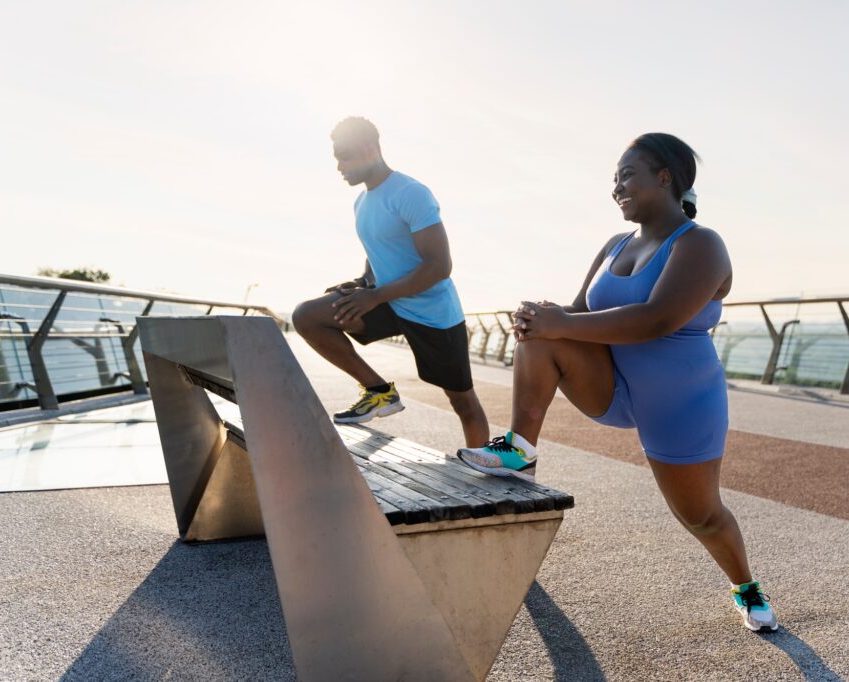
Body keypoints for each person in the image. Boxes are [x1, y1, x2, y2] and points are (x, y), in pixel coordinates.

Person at [457, 133, 777, 631]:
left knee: (701, 517)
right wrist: (543, 316)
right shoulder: (614, 245)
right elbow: (581, 314)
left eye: (627, 175)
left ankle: (745, 586)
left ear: (665, 177)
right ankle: (519, 446)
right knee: (543, 334)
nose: (617, 188)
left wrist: (559, 322)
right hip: (612, 384)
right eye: (614, 180)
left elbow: (657, 320)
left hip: (681, 403)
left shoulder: (701, 244)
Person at [293, 117, 489, 447]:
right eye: (336, 158)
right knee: (307, 316)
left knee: (463, 403)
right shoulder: (361, 202)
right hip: (387, 302)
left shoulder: (410, 193)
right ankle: (378, 391)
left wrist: (376, 295)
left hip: (433, 314)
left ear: (370, 150)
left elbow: (440, 265)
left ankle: (485, 475)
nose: (339, 166)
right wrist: (362, 283)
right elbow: (378, 252)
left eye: (345, 156)